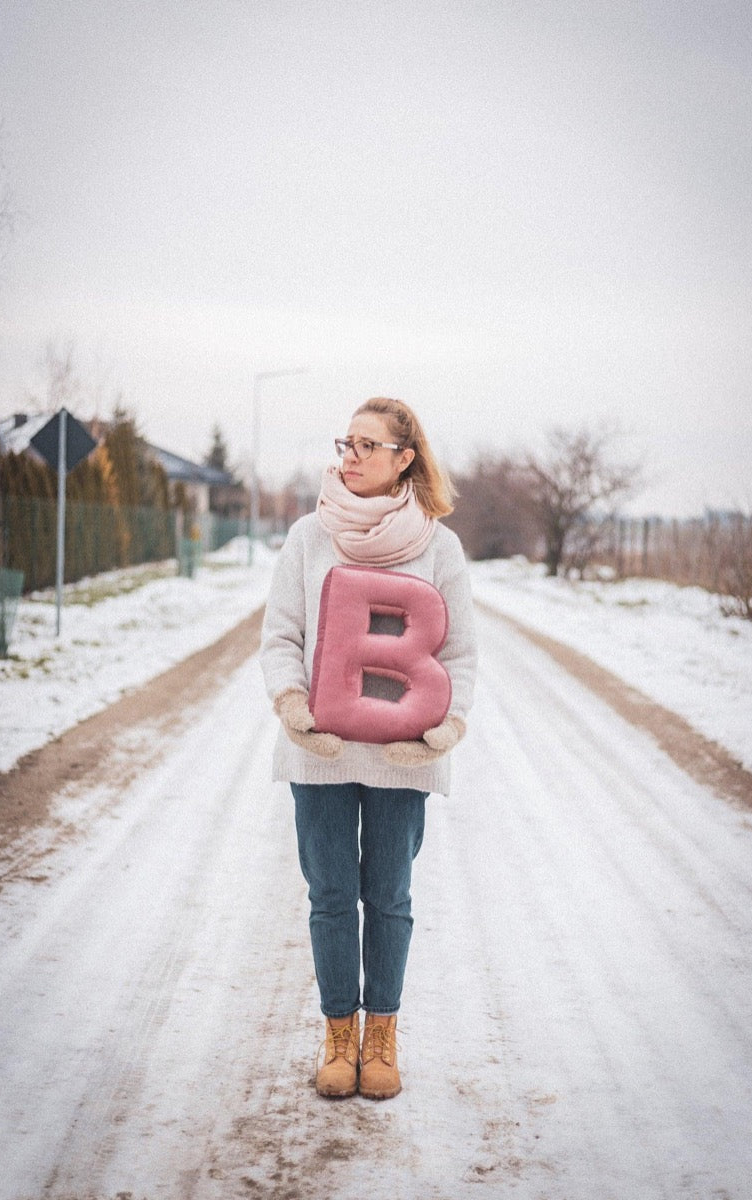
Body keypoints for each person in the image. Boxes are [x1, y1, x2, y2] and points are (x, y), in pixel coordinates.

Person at [259, 397, 477, 1100]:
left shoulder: (438, 547)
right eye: (344, 442)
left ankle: (381, 1033)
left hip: (401, 755)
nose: (348, 456)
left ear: (404, 458)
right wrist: (293, 706)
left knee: (387, 895)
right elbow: (282, 635)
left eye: (366, 445)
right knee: (330, 895)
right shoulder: (307, 536)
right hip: (319, 751)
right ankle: (338, 1035)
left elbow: (460, 652)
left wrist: (447, 726)